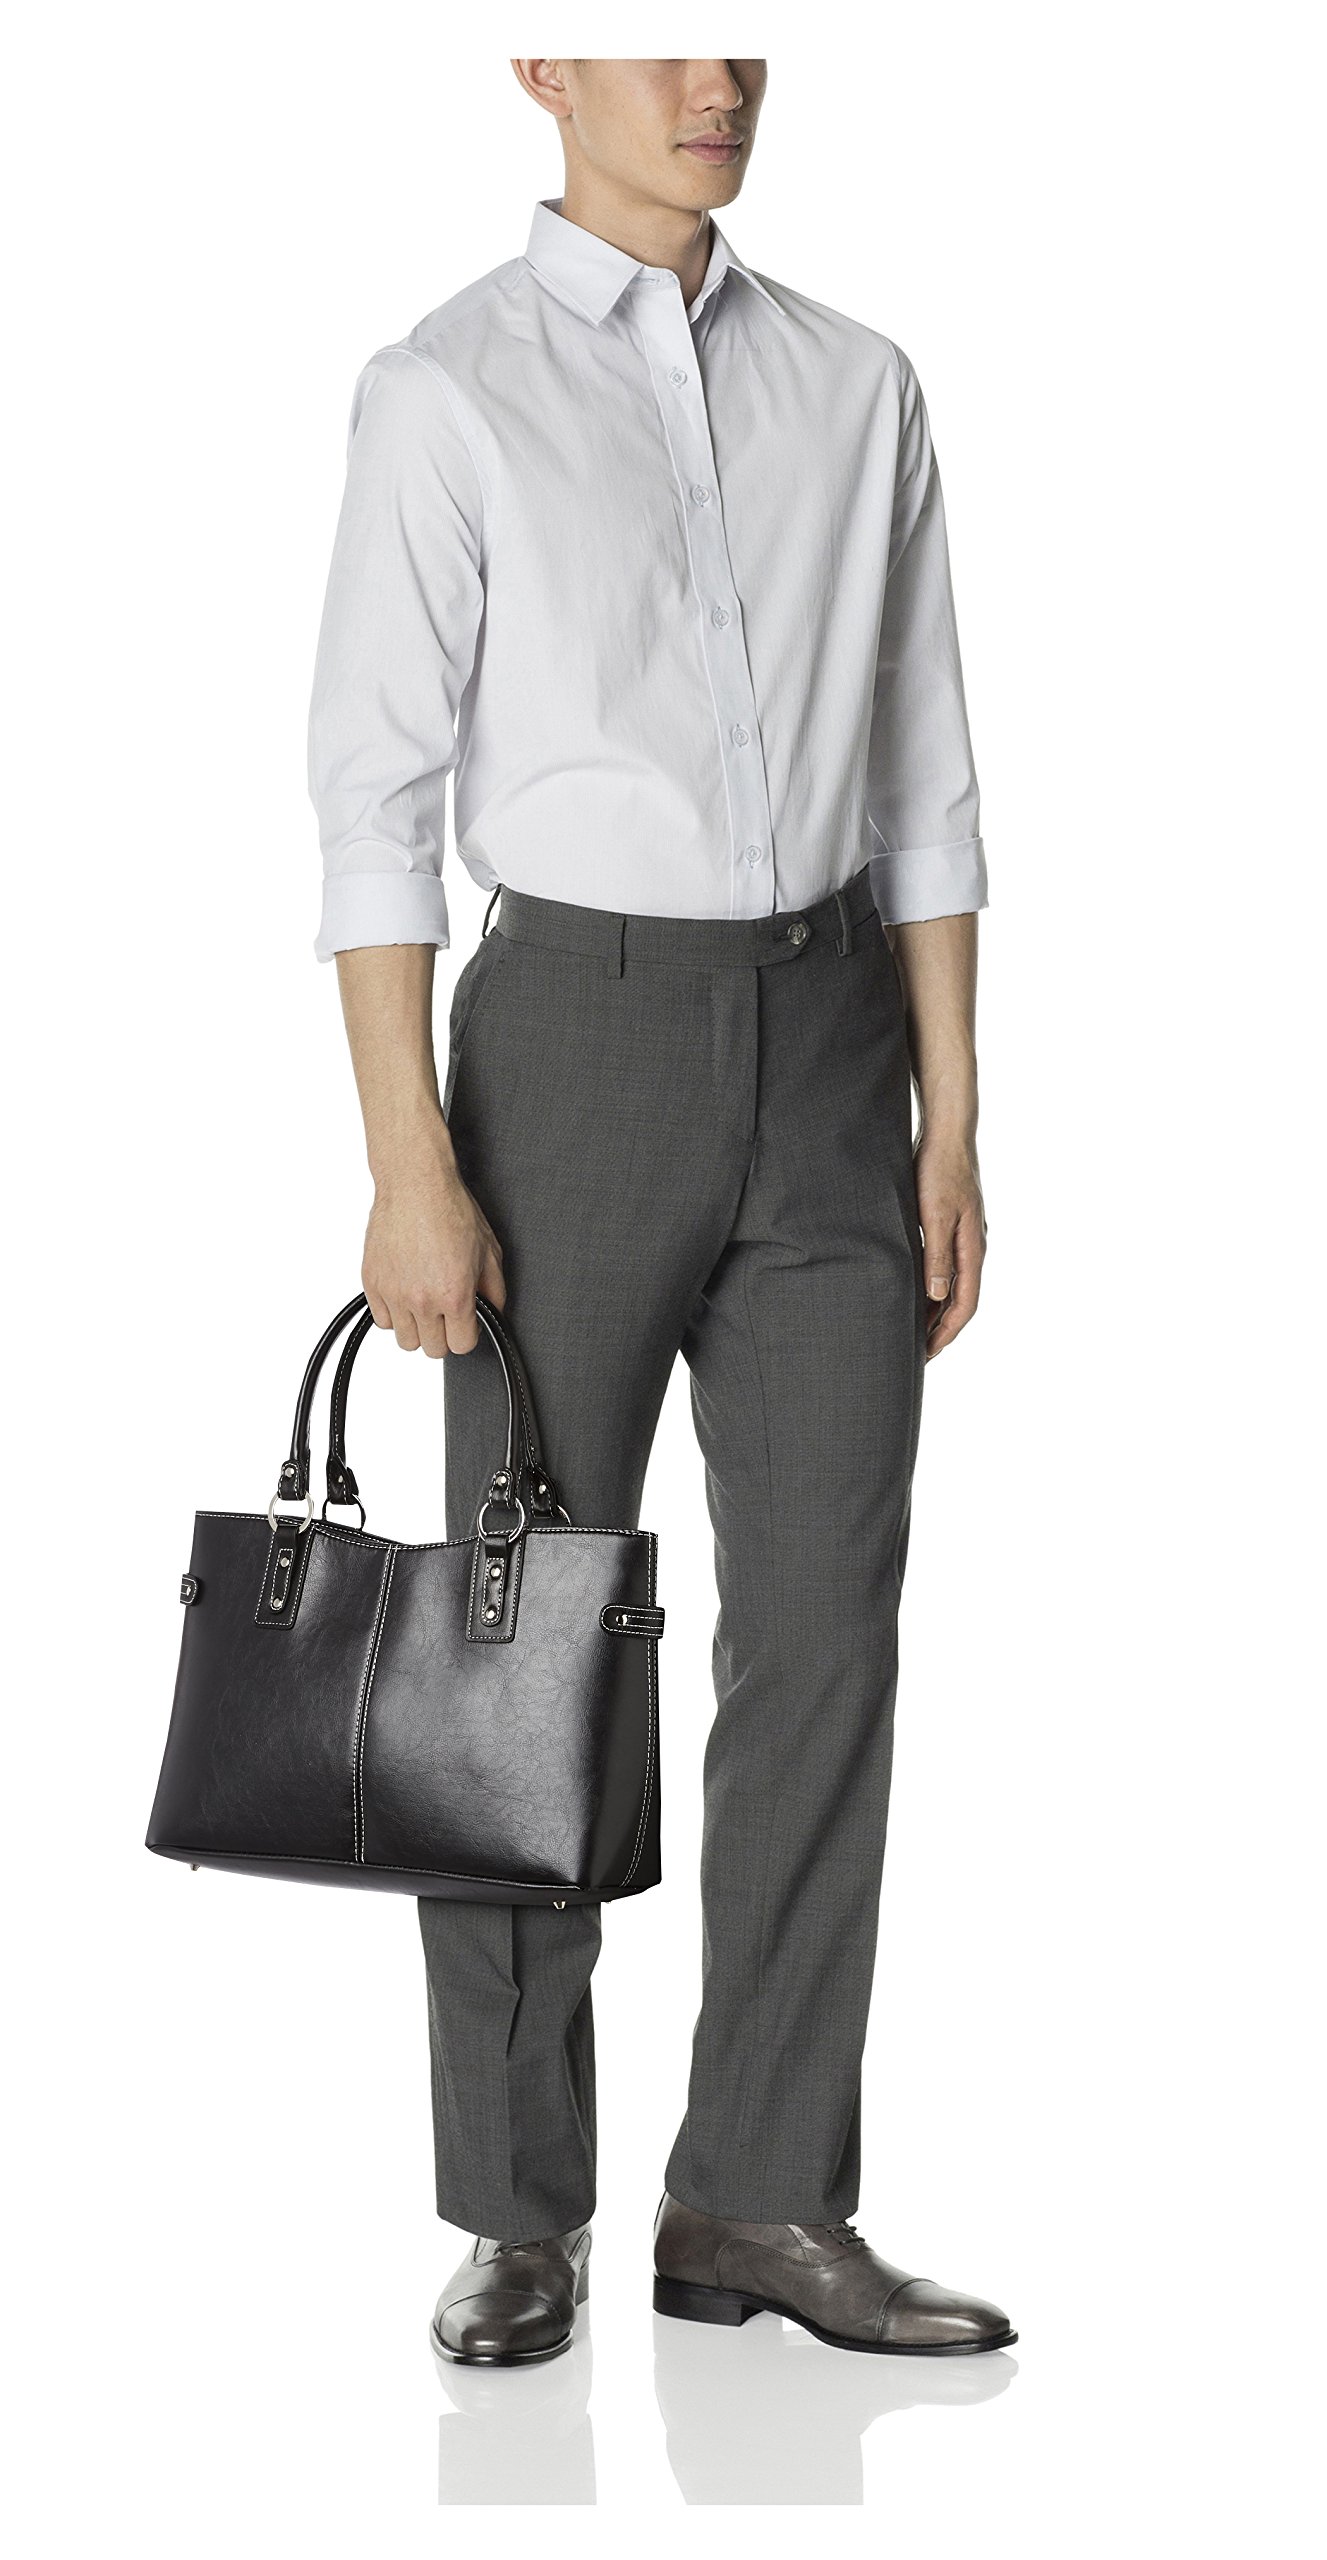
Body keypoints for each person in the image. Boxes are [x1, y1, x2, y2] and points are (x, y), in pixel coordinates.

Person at [307, 56, 1014, 2366]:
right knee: (519, 1638)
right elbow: (373, 802)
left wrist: (949, 1116)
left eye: (739, 39)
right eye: (653, 36)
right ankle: (520, 2206)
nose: (711, 81)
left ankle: (762, 2196)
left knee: (823, 1632)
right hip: (568, 1053)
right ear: (541, 61)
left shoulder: (858, 386)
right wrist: (408, 1159)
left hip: (833, 1050)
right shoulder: (446, 390)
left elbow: (922, 771)